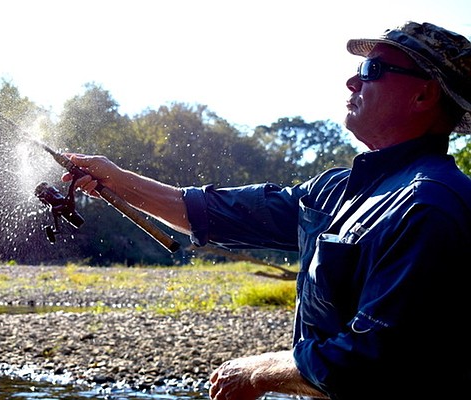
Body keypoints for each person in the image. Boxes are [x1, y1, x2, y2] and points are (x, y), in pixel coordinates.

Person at [62, 21, 471, 399]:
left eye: (372, 70)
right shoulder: (336, 189)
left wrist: (259, 371)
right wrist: (116, 180)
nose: (351, 80)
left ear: (424, 94)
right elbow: (213, 213)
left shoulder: (430, 206)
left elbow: (369, 360)